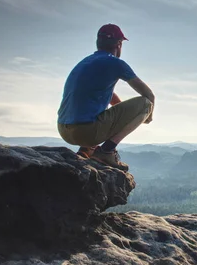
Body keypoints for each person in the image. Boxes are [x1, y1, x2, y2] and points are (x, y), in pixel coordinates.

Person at [57, 24, 155, 170]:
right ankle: (106, 151)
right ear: (119, 44)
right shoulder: (116, 63)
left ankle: (86, 150)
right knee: (146, 103)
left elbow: (105, 94)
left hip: (64, 130)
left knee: (92, 110)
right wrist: (147, 116)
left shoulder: (85, 62)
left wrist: (123, 115)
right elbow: (149, 95)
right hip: (87, 132)